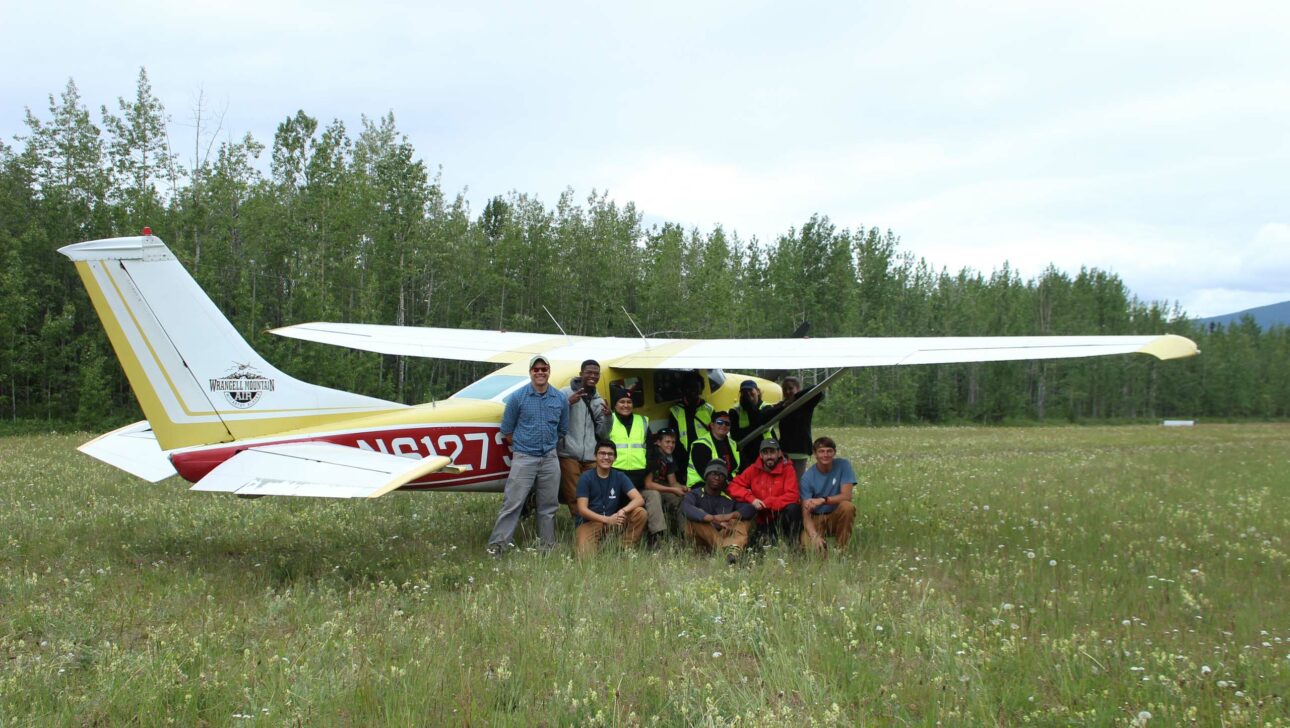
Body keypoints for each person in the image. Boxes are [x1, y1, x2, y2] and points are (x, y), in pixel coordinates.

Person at [486, 354, 569, 555]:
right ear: (531, 372)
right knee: (513, 503)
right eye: (536, 369)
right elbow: (507, 430)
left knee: (549, 505)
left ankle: (547, 547)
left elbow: (562, 429)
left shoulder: (559, 398)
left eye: (544, 369)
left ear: (549, 371)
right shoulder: (518, 397)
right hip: (524, 458)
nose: (540, 373)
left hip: (549, 458)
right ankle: (497, 546)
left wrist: (547, 446)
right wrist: (523, 447)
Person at [574, 441, 647, 557]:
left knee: (640, 513)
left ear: (615, 458)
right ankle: (599, 545)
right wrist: (606, 519)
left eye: (610, 454)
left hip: (613, 521)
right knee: (585, 559)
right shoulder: (586, 477)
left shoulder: (620, 476)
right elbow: (582, 510)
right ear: (595, 456)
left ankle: (622, 548)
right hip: (590, 523)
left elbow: (639, 499)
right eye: (602, 453)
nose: (606, 457)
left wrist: (622, 511)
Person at [557, 359, 611, 519]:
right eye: (589, 372)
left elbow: (603, 433)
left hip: (590, 455)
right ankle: (581, 525)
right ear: (581, 374)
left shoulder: (599, 401)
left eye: (596, 373)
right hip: (569, 453)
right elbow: (553, 417)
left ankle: (594, 524)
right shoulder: (564, 393)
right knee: (574, 495)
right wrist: (567, 403)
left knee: (594, 493)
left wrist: (608, 418)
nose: (593, 376)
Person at [728, 438, 801, 546]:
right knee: (757, 547)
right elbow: (733, 486)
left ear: (779, 453)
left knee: (793, 508)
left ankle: (793, 543)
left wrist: (768, 503)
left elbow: (793, 495)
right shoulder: (753, 469)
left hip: (781, 516)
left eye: (772, 452)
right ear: (761, 455)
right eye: (765, 453)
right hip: (761, 518)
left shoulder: (788, 469)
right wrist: (751, 499)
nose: (769, 456)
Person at [680, 461, 755, 563]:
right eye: (713, 474)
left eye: (721, 475)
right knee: (696, 518)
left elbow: (750, 509)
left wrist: (729, 516)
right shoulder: (695, 494)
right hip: (700, 543)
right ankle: (724, 551)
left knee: (741, 520)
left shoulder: (728, 498)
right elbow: (685, 507)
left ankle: (732, 553)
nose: (717, 477)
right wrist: (711, 518)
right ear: (706, 476)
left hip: (721, 537)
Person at [799, 436, 857, 554]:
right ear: (815, 454)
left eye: (829, 451)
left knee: (847, 506)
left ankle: (841, 550)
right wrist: (814, 536)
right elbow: (806, 514)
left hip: (836, 514)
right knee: (808, 548)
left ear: (834, 452)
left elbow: (847, 496)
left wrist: (823, 500)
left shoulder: (843, 465)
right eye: (821, 451)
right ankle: (822, 552)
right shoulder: (807, 477)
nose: (825, 455)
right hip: (817, 517)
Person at [641, 427, 688, 546]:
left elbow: (673, 482)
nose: (671, 445)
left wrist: (682, 488)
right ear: (658, 442)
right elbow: (648, 484)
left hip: (662, 487)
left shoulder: (669, 457)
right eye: (667, 442)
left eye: (673, 442)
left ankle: (686, 535)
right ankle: (658, 536)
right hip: (645, 489)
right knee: (655, 495)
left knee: (682, 498)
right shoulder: (653, 455)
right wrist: (672, 489)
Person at [776, 376, 826, 479]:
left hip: (800, 450)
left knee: (797, 483)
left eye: (790, 388)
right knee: (785, 483)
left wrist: (796, 397)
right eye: (785, 389)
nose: (787, 391)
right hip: (784, 450)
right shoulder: (783, 405)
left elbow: (818, 390)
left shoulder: (806, 402)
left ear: (798, 388)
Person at [607, 384, 649, 493]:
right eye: (622, 402)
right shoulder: (608, 420)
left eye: (629, 402)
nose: (626, 405)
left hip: (638, 473)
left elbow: (650, 447)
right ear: (615, 405)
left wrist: (648, 469)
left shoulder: (642, 421)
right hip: (615, 471)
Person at [729, 380, 778, 474]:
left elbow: (762, 422)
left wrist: (751, 408)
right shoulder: (735, 410)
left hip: (766, 452)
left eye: (750, 390)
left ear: (758, 391)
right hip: (746, 454)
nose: (747, 394)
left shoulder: (767, 407)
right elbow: (735, 435)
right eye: (744, 392)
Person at [667, 371, 714, 457]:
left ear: (701, 390)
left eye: (696, 388)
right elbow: (673, 438)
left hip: (706, 453)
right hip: (684, 457)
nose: (693, 391)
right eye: (690, 388)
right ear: (684, 390)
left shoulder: (709, 409)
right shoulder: (675, 411)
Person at [686, 411, 739, 486]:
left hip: (729, 484)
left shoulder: (733, 444)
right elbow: (707, 475)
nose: (724, 425)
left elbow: (744, 467)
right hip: (701, 486)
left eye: (727, 423)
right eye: (720, 422)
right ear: (712, 425)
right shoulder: (700, 445)